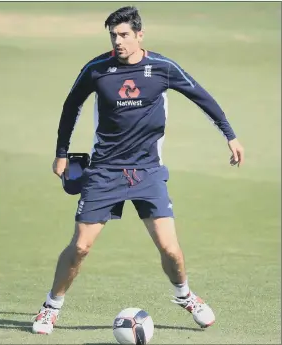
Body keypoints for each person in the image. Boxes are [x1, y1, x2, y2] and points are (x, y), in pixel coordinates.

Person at [32, 6, 244, 335]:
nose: (117, 41)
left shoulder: (162, 68)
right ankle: (50, 307)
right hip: (105, 171)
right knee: (81, 246)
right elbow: (71, 106)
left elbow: (201, 96)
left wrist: (229, 135)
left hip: (147, 171)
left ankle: (186, 296)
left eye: (124, 35)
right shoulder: (96, 69)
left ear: (140, 35)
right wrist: (62, 153)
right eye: (113, 35)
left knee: (170, 248)